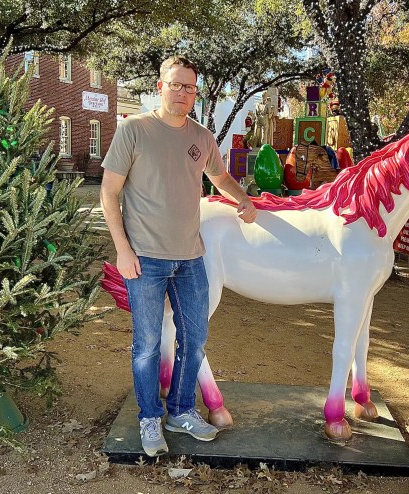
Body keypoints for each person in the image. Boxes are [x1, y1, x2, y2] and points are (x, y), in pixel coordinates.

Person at [100, 55, 257, 457]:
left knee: (195, 339)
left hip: (190, 259)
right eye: (176, 85)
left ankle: (182, 411)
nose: (183, 93)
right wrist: (122, 250)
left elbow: (220, 177)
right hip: (144, 260)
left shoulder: (202, 137)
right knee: (148, 345)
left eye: (190, 87)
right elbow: (109, 193)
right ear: (160, 87)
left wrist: (243, 199)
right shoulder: (134, 130)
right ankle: (150, 417)